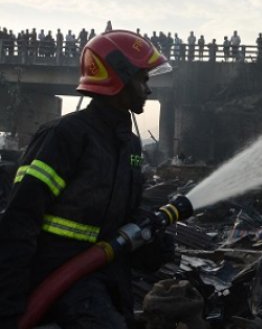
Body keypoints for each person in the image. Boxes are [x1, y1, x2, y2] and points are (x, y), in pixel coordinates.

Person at [0, 30, 173, 328]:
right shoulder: (65, 136)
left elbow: (125, 213)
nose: (148, 90)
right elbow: (20, 219)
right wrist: (8, 306)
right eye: (142, 79)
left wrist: (153, 242)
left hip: (106, 278)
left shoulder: (129, 144)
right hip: (59, 277)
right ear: (119, 77)